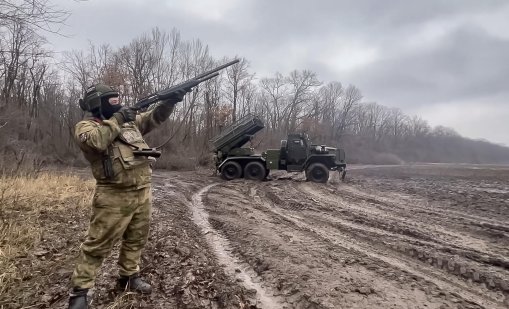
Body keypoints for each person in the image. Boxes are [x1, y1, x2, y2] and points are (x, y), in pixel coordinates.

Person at [68, 83, 189, 309]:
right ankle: (80, 292)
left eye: (118, 98)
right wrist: (118, 119)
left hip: (142, 192)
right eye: (112, 99)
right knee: (97, 244)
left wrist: (171, 100)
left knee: (136, 239)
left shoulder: (130, 123)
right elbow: (97, 142)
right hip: (113, 195)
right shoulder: (86, 127)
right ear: (98, 103)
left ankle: (129, 277)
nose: (117, 102)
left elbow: (154, 117)